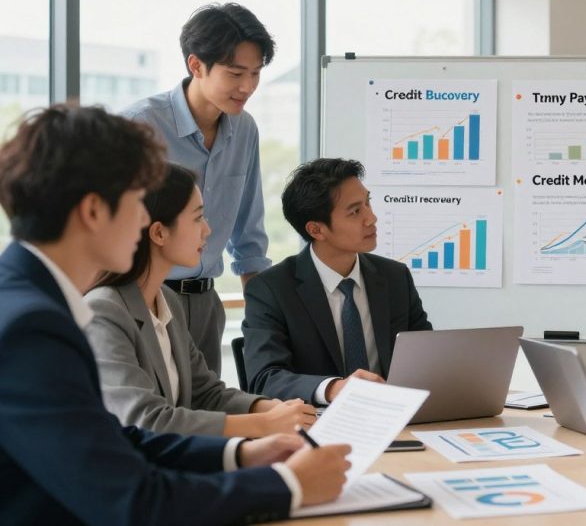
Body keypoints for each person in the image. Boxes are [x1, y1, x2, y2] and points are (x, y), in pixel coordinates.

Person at [0, 105, 348, 525]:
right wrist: (288, 486)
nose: (146, 219)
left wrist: (241, 452)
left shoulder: (31, 301)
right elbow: (132, 500)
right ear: (93, 210)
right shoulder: (30, 328)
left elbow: (111, 440)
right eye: (136, 201)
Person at [84, 163, 317, 437]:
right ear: (159, 233)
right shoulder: (103, 311)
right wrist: (265, 424)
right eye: (197, 218)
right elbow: (145, 420)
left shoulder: (167, 300)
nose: (207, 230)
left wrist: (272, 407)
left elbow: (205, 392)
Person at [122, 3, 275, 375]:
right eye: (236, 73)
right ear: (196, 65)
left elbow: (248, 232)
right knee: (153, 417)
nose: (248, 86)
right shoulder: (139, 126)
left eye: (255, 73)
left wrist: (263, 317)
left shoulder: (245, 130)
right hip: (144, 298)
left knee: (208, 412)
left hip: (206, 302)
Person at [243, 158, 432, 403]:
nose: (371, 218)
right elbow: (265, 378)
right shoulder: (271, 289)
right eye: (355, 211)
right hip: (316, 424)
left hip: (392, 418)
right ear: (316, 230)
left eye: (367, 203)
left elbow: (424, 358)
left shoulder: (395, 277)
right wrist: (334, 388)